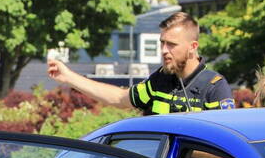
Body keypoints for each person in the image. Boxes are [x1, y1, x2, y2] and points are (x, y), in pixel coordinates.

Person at [47, 11, 234, 114]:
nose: (163, 50)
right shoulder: (159, 80)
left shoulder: (215, 88)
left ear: (193, 46)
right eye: (162, 43)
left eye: (172, 45)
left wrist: (176, 144)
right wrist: (68, 76)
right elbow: (119, 99)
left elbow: (224, 148)